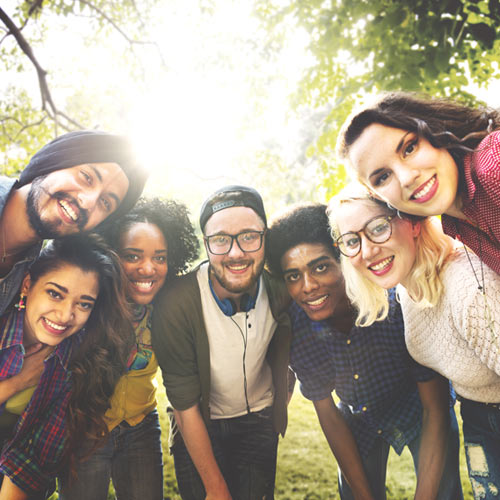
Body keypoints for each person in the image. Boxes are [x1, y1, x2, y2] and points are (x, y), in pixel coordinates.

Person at [266, 202, 462, 500]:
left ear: (343, 260)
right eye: (293, 275)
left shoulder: (396, 305)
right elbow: (328, 414)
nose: (308, 286)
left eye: (320, 267)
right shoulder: (298, 327)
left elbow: (434, 407)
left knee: (442, 494)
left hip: (420, 409)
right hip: (359, 416)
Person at [329, 185, 500, 499]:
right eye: (352, 241)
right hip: (478, 420)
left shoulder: (468, 288)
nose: (367, 252)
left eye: (378, 228)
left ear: (413, 222)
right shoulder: (407, 294)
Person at [152, 185, 291, 500]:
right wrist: (215, 490)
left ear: (264, 237)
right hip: (199, 422)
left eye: (249, 236)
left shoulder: (282, 289)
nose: (236, 252)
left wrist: (282, 394)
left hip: (259, 421)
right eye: (220, 240)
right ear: (206, 244)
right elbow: (185, 408)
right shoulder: (177, 302)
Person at [59, 197, 199, 500]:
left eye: (160, 258)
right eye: (133, 256)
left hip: (140, 428)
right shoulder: (90, 304)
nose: (148, 268)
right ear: (110, 255)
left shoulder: (167, 307)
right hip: (85, 428)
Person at [0, 234, 134, 500]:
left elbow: (34, 458)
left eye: (84, 304)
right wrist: (20, 381)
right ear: (27, 285)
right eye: (55, 294)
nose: (65, 316)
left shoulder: (79, 359)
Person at [336, 91, 500, 274]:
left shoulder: (493, 163)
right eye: (383, 177)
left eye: (410, 148)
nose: (406, 178)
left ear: (434, 132)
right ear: (376, 194)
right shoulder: (455, 224)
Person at [0, 130, 148, 315]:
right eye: (87, 177)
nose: (88, 202)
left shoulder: (32, 271)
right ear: (53, 162)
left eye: (105, 203)